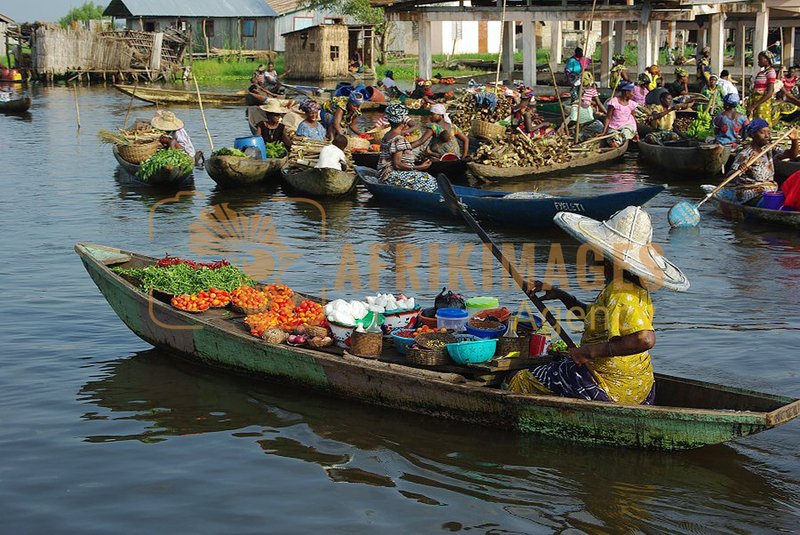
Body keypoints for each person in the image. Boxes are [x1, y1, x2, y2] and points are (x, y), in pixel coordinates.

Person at [505, 205, 690, 404]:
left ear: (607, 258)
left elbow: (645, 339)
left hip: (613, 386)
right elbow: (596, 319)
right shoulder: (627, 287)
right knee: (559, 361)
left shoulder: (621, 291)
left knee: (523, 379)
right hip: (637, 385)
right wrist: (561, 295)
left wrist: (588, 351)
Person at [718, 120, 799, 205]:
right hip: (751, 193)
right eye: (762, 133)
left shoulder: (769, 148)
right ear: (753, 134)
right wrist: (741, 169)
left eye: (768, 132)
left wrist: (795, 140)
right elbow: (730, 176)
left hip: (769, 191)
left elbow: (792, 155)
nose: (767, 136)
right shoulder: (745, 153)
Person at [377, 104, 437, 192]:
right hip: (390, 176)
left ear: (389, 120)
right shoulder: (398, 139)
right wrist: (420, 167)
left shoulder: (387, 135)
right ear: (403, 121)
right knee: (430, 181)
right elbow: (397, 165)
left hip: (384, 174)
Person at [603, 81, 638, 147]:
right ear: (627, 92)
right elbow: (608, 118)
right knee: (612, 135)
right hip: (614, 127)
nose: (633, 94)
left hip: (626, 126)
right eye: (632, 92)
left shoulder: (632, 104)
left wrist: (636, 132)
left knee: (626, 133)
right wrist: (604, 132)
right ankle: (615, 141)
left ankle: (618, 141)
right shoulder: (614, 102)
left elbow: (633, 118)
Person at [748, 50, 777, 126]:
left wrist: (754, 106)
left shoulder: (771, 72)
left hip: (762, 103)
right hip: (756, 101)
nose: (758, 62)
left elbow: (769, 92)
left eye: (760, 59)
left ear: (767, 60)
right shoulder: (762, 73)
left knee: (762, 125)